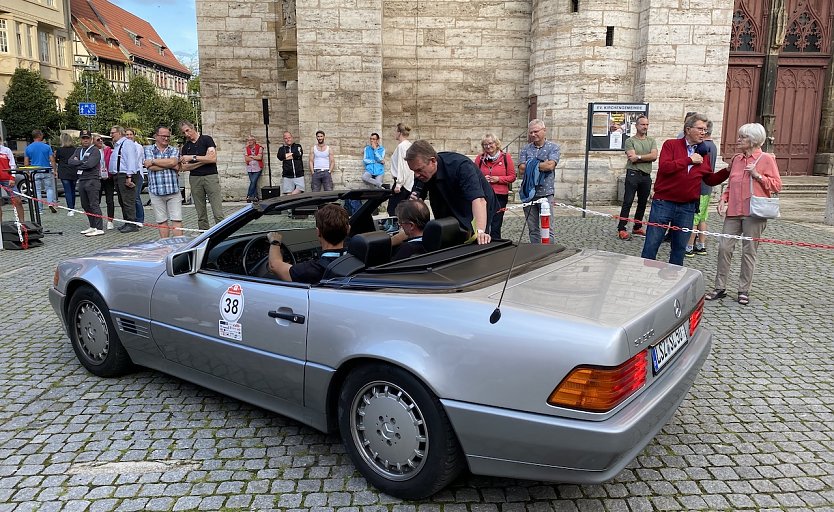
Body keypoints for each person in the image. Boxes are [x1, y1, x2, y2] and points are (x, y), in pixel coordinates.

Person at [706, 123, 782, 306]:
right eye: (739, 136)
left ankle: (743, 290)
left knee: (749, 251)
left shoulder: (766, 159)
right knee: (724, 248)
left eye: (743, 137)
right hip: (733, 211)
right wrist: (724, 198)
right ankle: (720, 287)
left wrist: (758, 176)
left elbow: (777, 185)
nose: (738, 140)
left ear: (754, 140)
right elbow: (732, 184)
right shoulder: (737, 159)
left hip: (754, 213)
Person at [640, 113, 730, 265]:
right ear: (688, 129)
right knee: (652, 244)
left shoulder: (704, 153)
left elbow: (710, 179)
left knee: (679, 248)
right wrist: (689, 160)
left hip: (687, 207)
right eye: (700, 129)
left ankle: (674, 280)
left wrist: (727, 170)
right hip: (664, 203)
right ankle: (645, 275)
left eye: (705, 129)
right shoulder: (671, 145)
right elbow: (665, 167)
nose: (704, 132)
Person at [406, 139, 496, 245]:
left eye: (419, 170)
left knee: (478, 241)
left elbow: (479, 200)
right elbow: (417, 201)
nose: (416, 175)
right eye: (413, 171)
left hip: (476, 209)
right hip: (447, 209)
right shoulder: (422, 172)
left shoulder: (461, 166)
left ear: (433, 161)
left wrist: (480, 231)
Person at [267, 203, 349, 283]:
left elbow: (274, 266)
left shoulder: (312, 270)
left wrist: (275, 242)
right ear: (348, 230)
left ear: (318, 232)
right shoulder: (355, 257)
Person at [518, 119, 560, 243]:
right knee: (532, 228)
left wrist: (531, 164)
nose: (533, 135)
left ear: (544, 131)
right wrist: (541, 164)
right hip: (528, 193)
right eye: (531, 132)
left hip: (546, 192)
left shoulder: (553, 147)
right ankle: (535, 251)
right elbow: (521, 168)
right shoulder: (526, 149)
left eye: (536, 131)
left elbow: (550, 166)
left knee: (548, 228)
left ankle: (548, 251)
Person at [179, 120, 225, 230]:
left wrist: (192, 158)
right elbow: (184, 167)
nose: (186, 134)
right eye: (183, 132)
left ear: (192, 128)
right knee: (201, 213)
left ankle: (223, 234)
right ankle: (204, 235)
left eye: (187, 131)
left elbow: (213, 159)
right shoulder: (186, 147)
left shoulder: (206, 139)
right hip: (195, 179)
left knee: (218, 212)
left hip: (210, 177)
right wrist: (204, 160)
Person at [617, 115, 657, 240]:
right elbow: (631, 157)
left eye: (647, 125)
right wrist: (645, 156)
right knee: (628, 201)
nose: (645, 127)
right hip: (633, 174)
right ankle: (622, 228)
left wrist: (639, 157)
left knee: (642, 203)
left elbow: (654, 156)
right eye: (642, 124)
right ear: (636, 126)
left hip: (646, 175)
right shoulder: (630, 141)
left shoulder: (651, 140)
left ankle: (637, 226)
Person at [685, 121, 718, 257]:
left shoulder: (703, 147)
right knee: (703, 218)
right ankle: (701, 245)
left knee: (694, 219)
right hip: (707, 188)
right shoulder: (714, 146)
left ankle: (689, 246)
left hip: (699, 187)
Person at [144, 126, 183, 238]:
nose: (166, 138)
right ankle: (165, 247)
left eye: (168, 136)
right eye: (163, 136)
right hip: (156, 191)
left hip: (173, 191)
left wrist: (153, 161)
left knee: (177, 220)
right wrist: (170, 165)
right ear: (156, 136)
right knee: (161, 221)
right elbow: (151, 168)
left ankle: (179, 248)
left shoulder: (174, 149)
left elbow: (173, 162)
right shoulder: (147, 149)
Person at [475, 133, 516, 239]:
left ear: (496, 143)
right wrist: (483, 180)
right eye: (485, 144)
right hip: (484, 195)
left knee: (496, 224)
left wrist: (498, 179)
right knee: (484, 223)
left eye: (490, 143)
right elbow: (474, 176)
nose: (488, 146)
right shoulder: (480, 159)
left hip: (500, 195)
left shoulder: (505, 157)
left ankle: (495, 245)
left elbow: (512, 177)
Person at [70, 130, 104, 237]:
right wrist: (81, 162)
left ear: (91, 139)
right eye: (83, 138)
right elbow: (70, 161)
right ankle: (92, 225)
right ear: (80, 139)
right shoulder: (78, 150)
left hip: (92, 180)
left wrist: (78, 163)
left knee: (94, 204)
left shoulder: (95, 150)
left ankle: (99, 228)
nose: (85, 140)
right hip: (82, 179)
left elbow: (90, 164)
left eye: (87, 138)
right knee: (85, 204)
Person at [108, 126, 140, 233]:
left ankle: (132, 223)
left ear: (120, 133)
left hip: (124, 175)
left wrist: (129, 176)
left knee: (128, 200)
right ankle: (127, 221)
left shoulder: (127, 144)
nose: (111, 135)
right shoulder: (118, 145)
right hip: (118, 175)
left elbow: (131, 160)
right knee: (122, 200)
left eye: (113, 133)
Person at [23, 129, 57, 214]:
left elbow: (26, 162)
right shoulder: (47, 147)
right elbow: (52, 159)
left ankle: (40, 210)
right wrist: (55, 170)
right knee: (49, 188)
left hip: (35, 171)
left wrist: (27, 172)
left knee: (37, 190)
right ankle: (50, 203)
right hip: (46, 170)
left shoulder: (28, 148)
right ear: (39, 136)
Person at [387, 122, 413, 216]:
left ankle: (395, 228)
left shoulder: (402, 146)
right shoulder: (409, 145)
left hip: (402, 183)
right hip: (407, 182)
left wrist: (399, 184)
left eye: (396, 131)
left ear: (399, 132)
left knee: (392, 209)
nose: (395, 133)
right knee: (402, 209)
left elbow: (403, 165)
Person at [0, 135, 25, 224]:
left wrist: (12, 178)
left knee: (17, 200)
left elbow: (12, 165)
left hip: (7, 178)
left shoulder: (6, 150)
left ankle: (22, 223)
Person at [124, 128, 146, 225]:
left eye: (130, 134)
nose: (129, 136)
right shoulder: (123, 146)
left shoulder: (138, 147)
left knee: (136, 197)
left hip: (137, 174)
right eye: (127, 134)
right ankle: (131, 219)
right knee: (129, 198)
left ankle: (140, 219)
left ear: (134, 135)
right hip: (127, 174)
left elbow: (135, 161)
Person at [55, 133, 78, 216]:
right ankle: (73, 207)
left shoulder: (60, 150)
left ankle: (70, 209)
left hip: (64, 171)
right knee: (73, 190)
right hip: (73, 170)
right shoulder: (75, 149)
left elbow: (57, 159)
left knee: (67, 190)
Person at [95, 136, 115, 230]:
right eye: (98, 140)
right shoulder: (93, 151)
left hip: (108, 177)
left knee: (109, 200)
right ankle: (97, 220)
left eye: (101, 139)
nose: (100, 141)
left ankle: (110, 220)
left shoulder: (108, 150)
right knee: (96, 200)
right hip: (97, 178)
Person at [278, 131, 304, 195]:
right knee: (288, 192)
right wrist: (290, 155)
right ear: (284, 139)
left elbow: (298, 155)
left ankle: (292, 196)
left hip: (298, 173)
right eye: (286, 138)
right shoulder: (281, 149)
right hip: (287, 175)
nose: (288, 139)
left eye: (289, 137)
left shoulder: (298, 146)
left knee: (300, 188)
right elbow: (280, 157)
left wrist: (286, 156)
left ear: (292, 138)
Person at [244, 135, 264, 201]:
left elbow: (259, 157)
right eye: (248, 140)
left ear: (254, 141)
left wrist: (251, 156)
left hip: (257, 168)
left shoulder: (259, 148)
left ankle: (249, 196)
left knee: (253, 182)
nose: (249, 141)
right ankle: (255, 197)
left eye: (251, 140)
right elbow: (246, 158)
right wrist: (255, 156)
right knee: (253, 182)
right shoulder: (246, 148)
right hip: (250, 168)